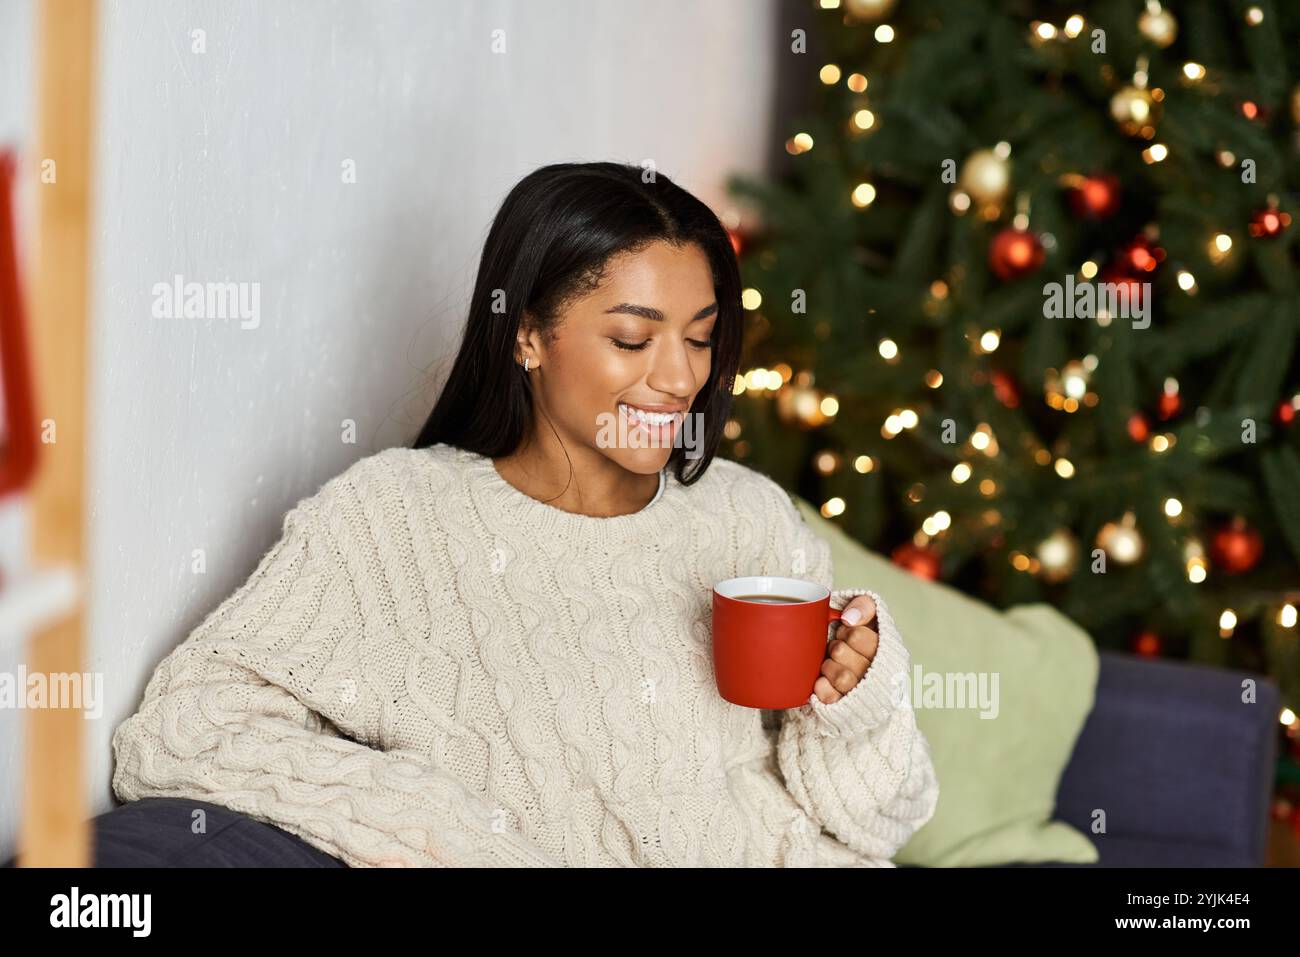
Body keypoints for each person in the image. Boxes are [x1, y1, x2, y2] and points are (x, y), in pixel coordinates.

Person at [109, 161, 939, 867]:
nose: (681, 378)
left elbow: (884, 820)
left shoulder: (746, 515)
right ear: (528, 335)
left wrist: (853, 695)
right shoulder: (394, 520)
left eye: (700, 336)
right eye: (632, 337)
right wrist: (451, 832)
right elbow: (185, 728)